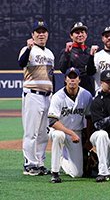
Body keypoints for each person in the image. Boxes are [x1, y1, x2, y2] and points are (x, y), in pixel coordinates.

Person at [18, 19, 55, 176]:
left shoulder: (50, 53)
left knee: (43, 133)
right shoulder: (28, 50)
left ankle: (39, 162)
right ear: (32, 35)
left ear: (47, 34)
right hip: (33, 94)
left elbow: (51, 76)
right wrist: (28, 48)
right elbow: (21, 63)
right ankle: (30, 163)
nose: (41, 34)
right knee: (31, 131)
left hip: (47, 96)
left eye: (43, 31)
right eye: (38, 32)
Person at [47, 67, 93, 183]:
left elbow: (89, 118)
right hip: (60, 130)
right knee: (58, 136)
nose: (72, 80)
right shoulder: (57, 96)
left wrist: (88, 139)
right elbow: (52, 122)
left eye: (75, 77)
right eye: (70, 77)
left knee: (77, 173)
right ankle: (55, 172)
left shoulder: (86, 95)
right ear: (65, 80)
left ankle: (62, 160)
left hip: (76, 133)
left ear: (79, 80)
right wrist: (70, 133)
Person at [58, 22, 98, 94]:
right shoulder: (67, 51)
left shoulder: (91, 51)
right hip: (72, 91)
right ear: (71, 36)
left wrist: (92, 56)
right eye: (77, 33)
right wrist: (67, 53)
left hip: (88, 90)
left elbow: (92, 72)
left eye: (82, 32)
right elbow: (62, 69)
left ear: (86, 35)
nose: (80, 35)